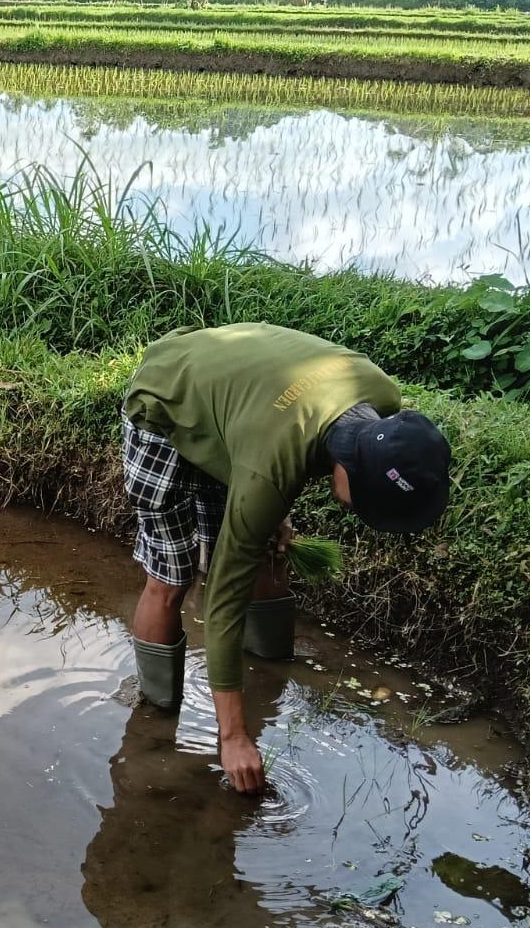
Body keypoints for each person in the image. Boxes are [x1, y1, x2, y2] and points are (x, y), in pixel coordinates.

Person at [121, 323, 451, 793]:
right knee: (171, 577)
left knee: (263, 546)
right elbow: (222, 602)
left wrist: (273, 508)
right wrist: (233, 736)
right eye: (367, 504)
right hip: (170, 400)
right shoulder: (268, 465)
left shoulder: (383, 402)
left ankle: (270, 666)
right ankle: (156, 713)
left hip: (247, 413)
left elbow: (280, 447)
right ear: (349, 468)